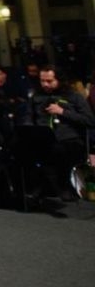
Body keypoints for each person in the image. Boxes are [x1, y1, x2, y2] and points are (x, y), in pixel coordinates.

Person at [17, 66, 95, 204]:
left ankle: (57, 186)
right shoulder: (37, 96)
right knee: (21, 149)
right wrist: (29, 127)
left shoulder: (74, 96)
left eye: (49, 81)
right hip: (42, 136)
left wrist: (63, 112)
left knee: (57, 151)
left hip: (69, 138)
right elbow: (28, 117)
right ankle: (31, 187)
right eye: (42, 81)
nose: (45, 84)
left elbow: (89, 120)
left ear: (59, 80)